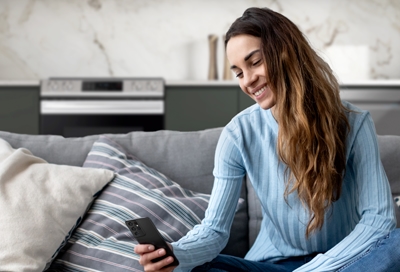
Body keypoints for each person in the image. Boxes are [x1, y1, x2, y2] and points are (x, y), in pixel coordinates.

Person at [135, 7, 400, 272]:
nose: (248, 80)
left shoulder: (354, 123)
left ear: (286, 53)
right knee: (199, 267)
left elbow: (378, 221)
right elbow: (214, 230)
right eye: (238, 72)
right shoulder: (238, 134)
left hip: (345, 264)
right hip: (272, 267)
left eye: (255, 62)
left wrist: (317, 269)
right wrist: (175, 255)